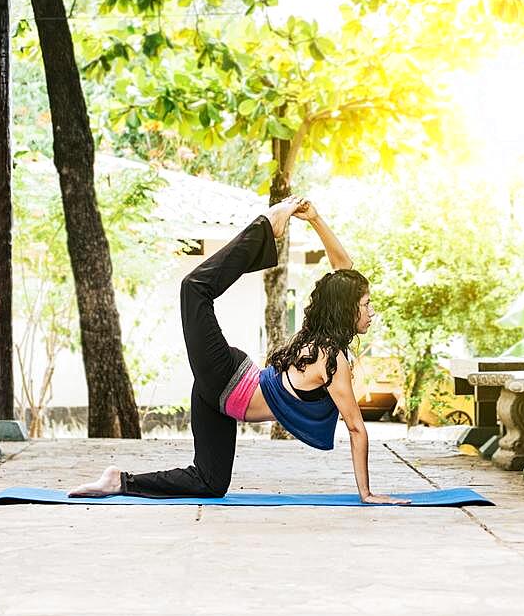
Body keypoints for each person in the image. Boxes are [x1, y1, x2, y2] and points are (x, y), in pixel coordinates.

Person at [68, 196, 409, 505]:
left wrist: (317, 220)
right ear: (347, 309)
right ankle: (265, 225)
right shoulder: (331, 359)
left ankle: (119, 481)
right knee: (194, 289)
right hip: (226, 379)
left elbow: (344, 273)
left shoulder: (325, 344)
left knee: (209, 482)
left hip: (221, 401)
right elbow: (355, 428)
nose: (371, 311)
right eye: (366, 304)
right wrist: (367, 494)